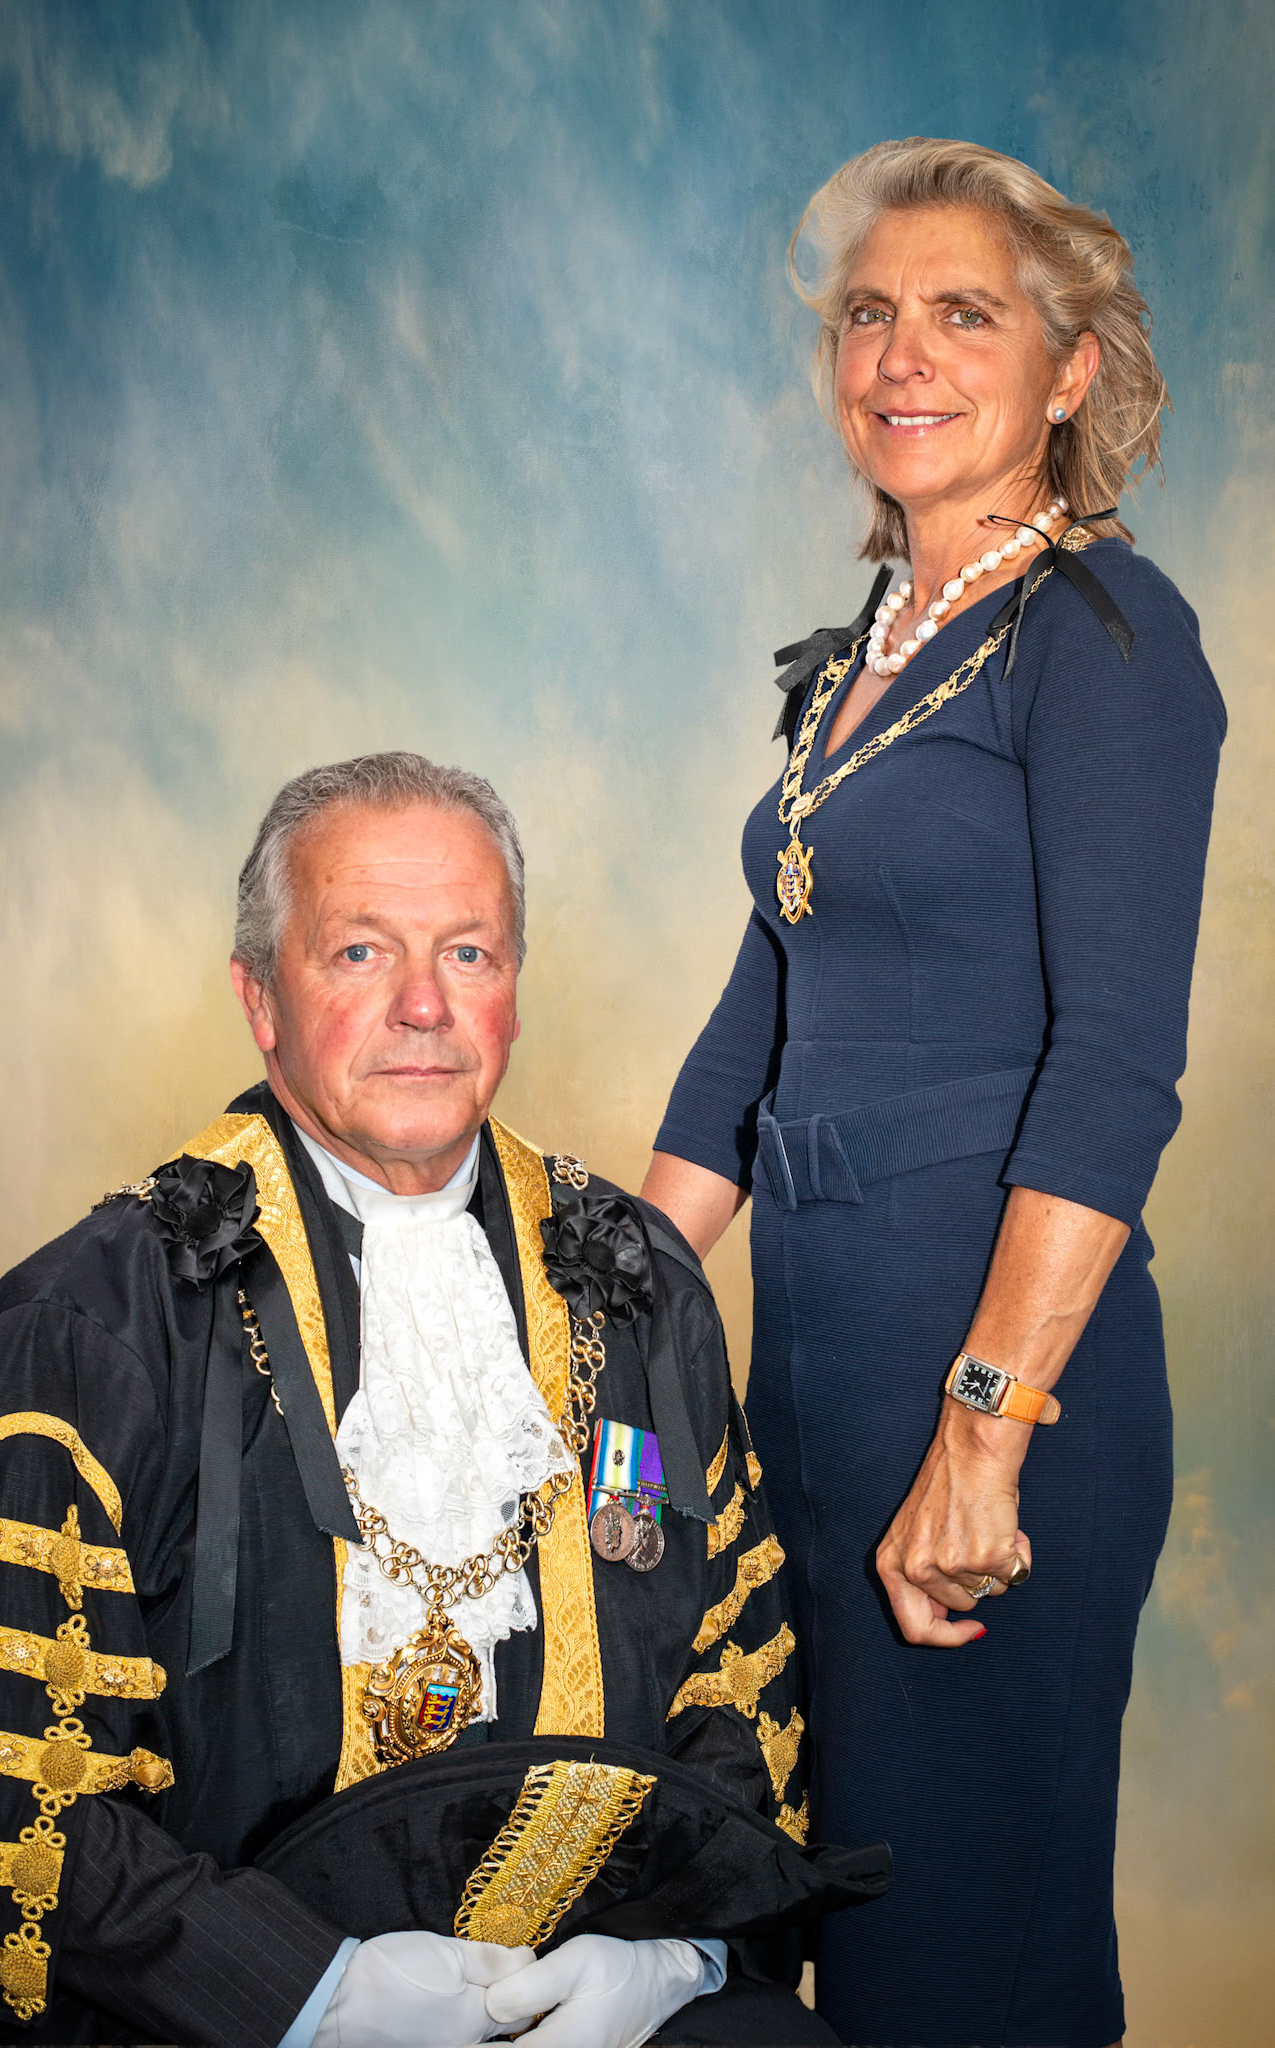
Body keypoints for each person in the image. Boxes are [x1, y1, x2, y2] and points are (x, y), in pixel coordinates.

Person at [0, 752, 886, 2048]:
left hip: (589, 1989)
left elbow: (722, 1670)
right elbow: (13, 1796)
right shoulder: (92, 1328)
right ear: (260, 999)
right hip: (215, 2008)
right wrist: (314, 1997)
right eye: (360, 952)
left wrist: (672, 1957)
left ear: (514, 991)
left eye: (468, 954)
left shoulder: (637, 1290)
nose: (424, 1005)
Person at [644, 138, 1225, 2048]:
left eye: (962, 314)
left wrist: (984, 1431)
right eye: (868, 317)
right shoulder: (857, 666)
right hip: (807, 1378)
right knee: (778, 1926)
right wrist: (605, 1298)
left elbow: (1114, 1071)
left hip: (991, 1387)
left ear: (1067, 371)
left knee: (958, 1968)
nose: (901, 355)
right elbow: (756, 1025)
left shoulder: (1105, 643)